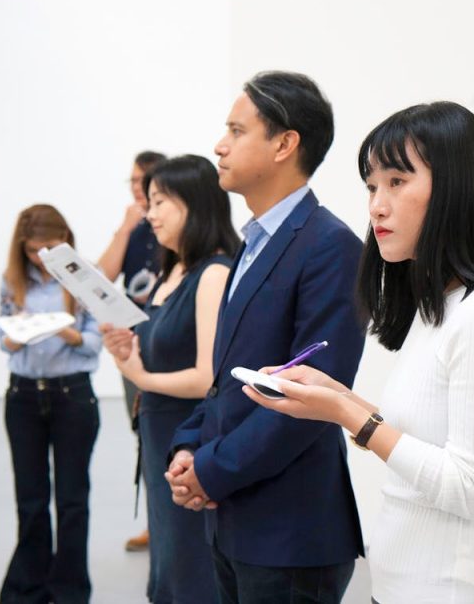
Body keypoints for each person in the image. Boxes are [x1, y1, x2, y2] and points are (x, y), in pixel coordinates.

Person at [246, 102, 474, 603]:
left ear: (455, 188)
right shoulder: (442, 307)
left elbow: (470, 489)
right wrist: (337, 396)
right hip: (406, 583)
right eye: (371, 186)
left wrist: (345, 413)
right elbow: (424, 439)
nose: (376, 206)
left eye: (397, 182)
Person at [165, 71, 366, 604]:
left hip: (290, 531)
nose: (219, 145)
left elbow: (310, 398)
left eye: (236, 130)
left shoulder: (330, 247)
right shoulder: (252, 244)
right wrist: (190, 444)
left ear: (284, 143)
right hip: (237, 518)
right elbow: (228, 379)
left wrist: (209, 469)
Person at [102, 154, 239, 603]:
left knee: (190, 569)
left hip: (187, 442)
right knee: (167, 566)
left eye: (161, 202)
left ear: (195, 205)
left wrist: (141, 376)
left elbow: (207, 378)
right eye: (150, 201)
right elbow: (162, 349)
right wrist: (128, 349)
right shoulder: (173, 269)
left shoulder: (214, 273)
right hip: (160, 437)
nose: (151, 213)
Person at [0, 204, 102, 604]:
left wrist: (68, 333)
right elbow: (2, 337)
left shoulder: (85, 278)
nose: (41, 257)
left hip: (72, 396)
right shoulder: (12, 279)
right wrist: (15, 335)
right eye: (33, 250)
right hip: (23, 396)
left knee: (73, 500)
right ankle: (29, 588)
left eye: (50, 248)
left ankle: (70, 590)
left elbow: (96, 341)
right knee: (31, 498)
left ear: (66, 241)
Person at [96, 150, 166, 552]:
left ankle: (172, 524)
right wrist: (123, 229)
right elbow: (103, 276)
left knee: (167, 432)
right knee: (143, 433)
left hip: (168, 343)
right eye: (133, 181)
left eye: (143, 180)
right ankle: (156, 524)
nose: (137, 188)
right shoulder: (134, 228)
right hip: (132, 347)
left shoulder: (174, 226)